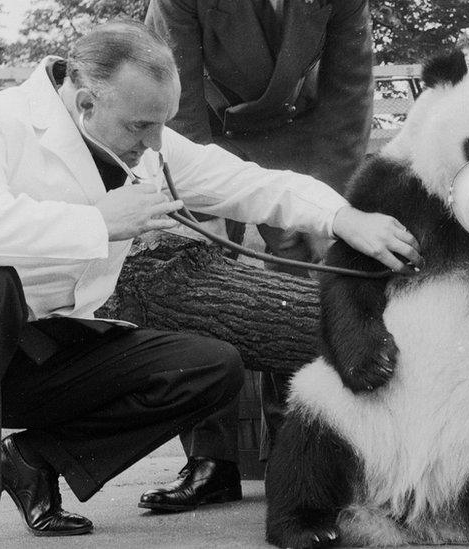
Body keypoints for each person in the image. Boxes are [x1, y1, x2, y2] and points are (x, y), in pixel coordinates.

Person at [0, 20, 419, 548]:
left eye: (162, 124)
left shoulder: (149, 144)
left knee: (209, 368)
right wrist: (98, 220)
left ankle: (30, 460)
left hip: (45, 349)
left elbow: (252, 183)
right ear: (86, 102)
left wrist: (343, 218)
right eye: (141, 126)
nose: (155, 143)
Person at [142, 0, 376, 509]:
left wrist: (328, 207)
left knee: (310, 274)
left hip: (302, 138)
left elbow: (349, 92)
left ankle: (300, 454)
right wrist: (194, 209)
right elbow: (170, 96)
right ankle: (212, 462)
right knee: (197, 273)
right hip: (199, 134)